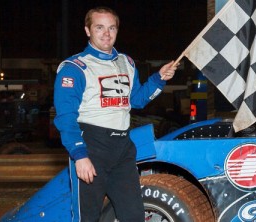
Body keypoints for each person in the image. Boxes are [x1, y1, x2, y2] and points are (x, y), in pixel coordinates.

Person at [54, 6, 178, 222]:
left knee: (134, 215)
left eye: (112, 28)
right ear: (87, 30)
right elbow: (65, 117)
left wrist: (159, 79)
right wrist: (80, 155)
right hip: (91, 147)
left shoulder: (126, 62)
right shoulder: (74, 68)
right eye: (99, 27)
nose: (106, 33)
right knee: (88, 217)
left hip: (122, 149)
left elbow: (137, 100)